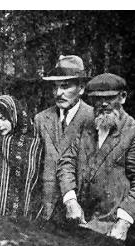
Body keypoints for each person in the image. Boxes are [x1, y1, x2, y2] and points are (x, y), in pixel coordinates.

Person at [57, 73, 135, 241]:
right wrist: (70, 201)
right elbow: (67, 162)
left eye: (109, 98)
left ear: (122, 97)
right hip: (79, 223)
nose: (103, 104)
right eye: (97, 99)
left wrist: (123, 222)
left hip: (113, 228)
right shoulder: (86, 125)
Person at [34, 55, 94, 221]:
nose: (58, 93)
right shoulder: (41, 119)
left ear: (81, 88)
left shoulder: (93, 119)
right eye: (55, 87)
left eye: (65, 86)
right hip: (47, 211)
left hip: (81, 211)